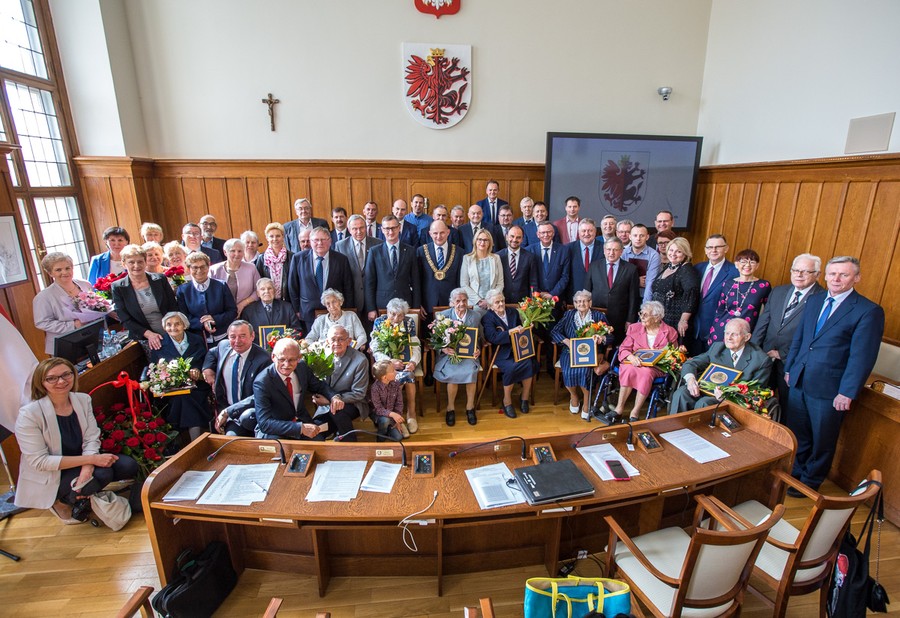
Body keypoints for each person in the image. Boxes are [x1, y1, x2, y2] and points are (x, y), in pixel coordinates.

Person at [784, 256, 884, 493]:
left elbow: (862, 357)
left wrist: (847, 392)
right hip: (800, 380)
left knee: (822, 441)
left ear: (856, 278)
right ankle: (794, 474)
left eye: (844, 274)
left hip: (830, 389)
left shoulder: (868, 311)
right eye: (832, 274)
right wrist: (790, 368)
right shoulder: (815, 300)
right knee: (800, 434)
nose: (836, 279)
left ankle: (809, 482)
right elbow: (800, 339)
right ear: (825, 275)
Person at [15, 358, 139, 523]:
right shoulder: (29, 414)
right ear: (41, 382)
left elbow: (91, 437)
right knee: (103, 472)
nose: (61, 381)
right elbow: (40, 462)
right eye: (52, 378)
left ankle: (83, 492)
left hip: (82, 460)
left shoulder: (82, 399)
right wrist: (92, 460)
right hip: (52, 472)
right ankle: (61, 502)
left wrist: (87, 468)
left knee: (128, 465)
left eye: (66, 374)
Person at [751, 254, 823, 414]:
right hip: (765, 357)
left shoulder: (822, 299)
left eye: (805, 272)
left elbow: (815, 338)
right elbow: (764, 322)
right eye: (795, 270)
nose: (799, 275)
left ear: (817, 275)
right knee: (756, 400)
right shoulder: (779, 291)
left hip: (792, 362)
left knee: (787, 407)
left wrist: (783, 354)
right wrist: (754, 350)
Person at [669, 318, 772, 413]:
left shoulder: (761, 360)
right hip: (706, 390)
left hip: (733, 402)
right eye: (727, 333)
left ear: (747, 337)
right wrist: (691, 380)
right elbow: (691, 363)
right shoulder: (717, 348)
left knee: (704, 403)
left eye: (734, 334)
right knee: (681, 393)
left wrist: (728, 397)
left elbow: (755, 393)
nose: (729, 338)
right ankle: (673, 430)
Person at [254, 338, 336, 441]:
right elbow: (264, 423)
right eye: (282, 359)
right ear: (273, 357)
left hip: (302, 421)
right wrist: (299, 428)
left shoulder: (302, 368)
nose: (287, 365)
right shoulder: (262, 382)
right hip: (277, 430)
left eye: (292, 360)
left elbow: (319, 386)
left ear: (299, 358)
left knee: (319, 445)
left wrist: (334, 397)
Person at [147, 312, 212, 440]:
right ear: (164, 327)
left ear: (184, 325)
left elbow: (207, 362)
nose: (173, 328)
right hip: (172, 390)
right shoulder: (159, 344)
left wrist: (198, 370)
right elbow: (154, 369)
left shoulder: (196, 340)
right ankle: (195, 439)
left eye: (177, 324)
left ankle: (179, 439)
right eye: (169, 325)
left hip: (197, 385)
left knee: (188, 397)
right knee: (182, 399)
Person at [613, 301, 679, 421]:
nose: (642, 317)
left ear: (657, 317)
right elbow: (623, 349)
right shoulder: (634, 328)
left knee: (646, 373)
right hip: (633, 362)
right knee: (628, 369)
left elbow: (673, 356)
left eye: (646, 315)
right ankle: (619, 409)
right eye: (641, 313)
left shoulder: (670, 332)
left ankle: (635, 411)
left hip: (655, 368)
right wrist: (630, 357)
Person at [33, 252, 110, 355]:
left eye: (67, 268)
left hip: (92, 338)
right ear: (50, 273)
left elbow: (97, 308)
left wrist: (104, 329)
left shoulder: (85, 284)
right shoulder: (44, 296)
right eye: (58, 270)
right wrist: (73, 325)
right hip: (65, 344)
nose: (64, 272)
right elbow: (42, 322)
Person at [204, 321, 272, 437]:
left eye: (242, 336)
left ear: (252, 336)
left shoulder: (264, 360)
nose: (237, 341)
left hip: (253, 413)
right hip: (231, 415)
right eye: (233, 337)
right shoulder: (223, 346)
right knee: (230, 443)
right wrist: (207, 368)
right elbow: (211, 353)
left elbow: (261, 395)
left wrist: (228, 411)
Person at [551, 290, 610, 418]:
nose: (581, 304)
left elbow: (611, 336)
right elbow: (554, 331)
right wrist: (566, 341)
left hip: (591, 353)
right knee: (568, 371)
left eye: (584, 301)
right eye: (578, 301)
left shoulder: (598, 316)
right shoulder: (569, 315)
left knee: (585, 371)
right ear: (575, 303)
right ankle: (574, 396)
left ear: (590, 302)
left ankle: (587, 401)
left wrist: (602, 338)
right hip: (570, 351)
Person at [482, 291, 539, 418]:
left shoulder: (512, 312)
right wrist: (510, 332)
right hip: (502, 352)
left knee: (529, 363)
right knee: (512, 366)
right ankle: (506, 401)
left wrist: (527, 326)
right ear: (491, 306)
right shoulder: (487, 318)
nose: (501, 304)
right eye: (497, 302)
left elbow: (521, 328)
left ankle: (524, 398)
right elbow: (492, 337)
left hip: (519, 349)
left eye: (502, 300)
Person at [111, 244, 178, 351]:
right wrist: (148, 334)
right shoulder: (118, 287)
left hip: (172, 332)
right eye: (131, 262)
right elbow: (125, 319)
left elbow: (173, 306)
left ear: (145, 262)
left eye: (140, 261)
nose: (136, 266)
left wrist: (172, 330)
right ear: (124, 264)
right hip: (144, 338)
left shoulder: (160, 280)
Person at [370, 298, 421, 433]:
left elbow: (415, 345)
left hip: (405, 364)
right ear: (387, 312)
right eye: (393, 314)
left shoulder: (409, 322)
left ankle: (411, 413)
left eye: (400, 315)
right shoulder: (380, 322)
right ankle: (394, 416)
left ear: (404, 315)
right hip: (385, 363)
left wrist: (413, 362)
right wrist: (390, 362)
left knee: (408, 375)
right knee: (395, 378)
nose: (396, 318)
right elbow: (375, 347)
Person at [433, 288, 482, 427]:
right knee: (452, 375)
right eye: (458, 301)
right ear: (452, 303)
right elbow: (436, 340)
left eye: (464, 300)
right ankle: (450, 408)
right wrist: (443, 348)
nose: (461, 304)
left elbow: (479, 337)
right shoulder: (443, 316)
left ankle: (470, 408)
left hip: (468, 355)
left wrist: (477, 349)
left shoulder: (476, 316)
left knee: (471, 373)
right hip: (450, 355)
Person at [312, 325, 370, 441]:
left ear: (349, 341)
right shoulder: (321, 356)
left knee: (338, 411)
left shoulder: (360, 360)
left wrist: (331, 400)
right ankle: (335, 433)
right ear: (327, 341)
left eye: (341, 339)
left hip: (352, 403)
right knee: (316, 431)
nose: (337, 343)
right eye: (333, 339)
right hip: (326, 406)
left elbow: (359, 393)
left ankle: (350, 444)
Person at [288, 227, 352, 330]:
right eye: (316, 240)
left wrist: (347, 309)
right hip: (308, 313)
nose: (319, 243)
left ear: (330, 241)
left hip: (335, 311)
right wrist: (296, 309)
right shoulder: (298, 258)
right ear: (311, 241)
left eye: (323, 239)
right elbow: (293, 286)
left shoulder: (341, 259)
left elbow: (348, 287)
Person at [707, 248, 771, 345]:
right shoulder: (727, 284)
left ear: (757, 265)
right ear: (736, 264)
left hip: (746, 334)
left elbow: (768, 312)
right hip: (723, 331)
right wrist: (712, 331)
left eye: (752, 262)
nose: (747, 265)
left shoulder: (763, 286)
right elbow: (720, 310)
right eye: (743, 262)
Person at [583, 238, 640, 345]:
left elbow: (633, 297)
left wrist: (630, 320)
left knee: (616, 347)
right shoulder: (594, 266)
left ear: (621, 251)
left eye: (615, 250)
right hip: (597, 315)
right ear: (604, 250)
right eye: (608, 249)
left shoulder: (631, 269)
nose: (611, 253)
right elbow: (586, 292)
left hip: (620, 318)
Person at [691, 234, 739, 355]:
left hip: (717, 331)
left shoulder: (734, 272)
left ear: (726, 248)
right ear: (705, 250)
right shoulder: (697, 268)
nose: (713, 250)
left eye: (718, 247)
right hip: (693, 330)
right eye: (710, 247)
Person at [365, 215, 421, 320]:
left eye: (393, 228)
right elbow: (369, 282)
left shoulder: (410, 251)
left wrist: (416, 307)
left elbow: (416, 281)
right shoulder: (374, 251)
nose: (390, 232)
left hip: (405, 304)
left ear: (399, 228)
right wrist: (371, 308)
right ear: (382, 230)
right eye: (387, 228)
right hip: (382, 305)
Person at [177, 251, 237, 344]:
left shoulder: (221, 286)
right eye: (195, 267)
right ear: (189, 269)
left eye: (202, 267)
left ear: (208, 267)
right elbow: (184, 317)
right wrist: (202, 323)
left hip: (223, 338)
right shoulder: (183, 290)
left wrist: (214, 319)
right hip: (198, 340)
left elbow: (232, 311)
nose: (199, 270)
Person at [651, 236, 700, 339]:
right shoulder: (667, 267)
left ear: (685, 253)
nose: (673, 254)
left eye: (678, 251)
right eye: (671, 250)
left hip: (674, 321)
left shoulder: (687, 270)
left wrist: (683, 320)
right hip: (659, 318)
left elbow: (691, 295)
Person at [335, 214, 383, 317]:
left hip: (374, 299)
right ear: (349, 229)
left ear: (366, 227)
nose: (359, 231)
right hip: (351, 299)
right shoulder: (340, 246)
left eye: (361, 227)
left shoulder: (378, 244)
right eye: (355, 229)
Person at [417, 219, 463, 318]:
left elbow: (460, 281)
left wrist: (459, 302)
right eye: (435, 233)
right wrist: (418, 303)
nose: (439, 236)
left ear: (448, 232)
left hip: (452, 305)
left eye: (442, 233)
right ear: (430, 234)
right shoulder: (421, 251)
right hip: (427, 305)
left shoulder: (459, 252)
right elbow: (417, 281)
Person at [460, 228, 504, 319]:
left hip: (494, 304)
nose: (482, 242)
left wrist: (489, 301)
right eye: (479, 239)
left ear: (490, 242)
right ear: (475, 241)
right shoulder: (467, 258)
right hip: (475, 305)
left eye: (485, 240)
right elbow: (464, 284)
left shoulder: (496, 258)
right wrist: (479, 301)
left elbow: (500, 283)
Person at [210, 238, 260, 317]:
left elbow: (258, 290)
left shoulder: (251, 268)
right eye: (232, 251)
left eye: (240, 251)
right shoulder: (214, 270)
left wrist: (243, 304)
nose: (237, 254)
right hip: (221, 314)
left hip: (246, 312)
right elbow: (210, 293)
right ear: (225, 252)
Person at [253, 222, 293, 302]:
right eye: (271, 236)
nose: (275, 239)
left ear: (283, 237)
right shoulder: (261, 258)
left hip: (288, 301)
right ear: (267, 238)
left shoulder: (292, 257)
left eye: (278, 236)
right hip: (268, 301)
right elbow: (259, 281)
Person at [498, 225, 538, 304]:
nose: (514, 240)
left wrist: (532, 302)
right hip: (502, 302)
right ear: (506, 237)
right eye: (512, 236)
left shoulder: (530, 257)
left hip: (523, 304)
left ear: (522, 239)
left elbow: (533, 282)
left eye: (518, 237)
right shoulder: (498, 256)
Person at [567, 219, 603, 303]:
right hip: (574, 298)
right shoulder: (568, 249)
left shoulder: (604, 248)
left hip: (598, 298)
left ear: (595, 232)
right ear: (578, 232)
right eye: (584, 231)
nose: (587, 234)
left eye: (590, 231)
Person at [623, 223, 661, 302]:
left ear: (647, 237)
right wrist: (636, 281)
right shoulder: (623, 253)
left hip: (643, 296)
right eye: (635, 235)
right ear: (630, 236)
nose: (638, 239)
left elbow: (650, 283)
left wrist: (645, 306)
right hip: (624, 296)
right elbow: (620, 279)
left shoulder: (654, 256)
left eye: (642, 235)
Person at [370, 360, 408, 440]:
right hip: (380, 415)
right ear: (384, 377)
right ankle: (381, 435)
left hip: (392, 415)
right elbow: (378, 409)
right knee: (385, 420)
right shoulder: (375, 388)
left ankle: (390, 427)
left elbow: (399, 403)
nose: (395, 372)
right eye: (392, 371)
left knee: (399, 437)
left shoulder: (396, 384)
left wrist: (397, 419)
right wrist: (392, 415)